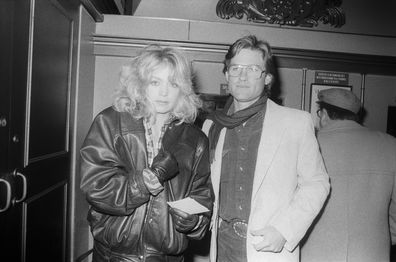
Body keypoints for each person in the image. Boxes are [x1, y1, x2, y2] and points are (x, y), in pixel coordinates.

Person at [202, 35, 330, 262]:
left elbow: (317, 183)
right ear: (226, 74)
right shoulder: (212, 125)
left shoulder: (295, 122)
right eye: (236, 68)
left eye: (252, 68)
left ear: (267, 77)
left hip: (268, 247)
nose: (242, 76)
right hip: (222, 246)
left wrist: (285, 229)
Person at [80, 46, 214, 262]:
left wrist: (195, 222)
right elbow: (95, 187)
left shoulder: (196, 139)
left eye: (173, 84)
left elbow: (202, 196)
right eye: (155, 82)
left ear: (183, 89)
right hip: (114, 256)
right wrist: (142, 184)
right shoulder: (110, 122)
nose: (164, 92)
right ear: (140, 84)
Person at [301, 88, 396, 262]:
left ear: (323, 114)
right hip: (372, 253)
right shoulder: (391, 145)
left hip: (316, 253)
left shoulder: (307, 145)